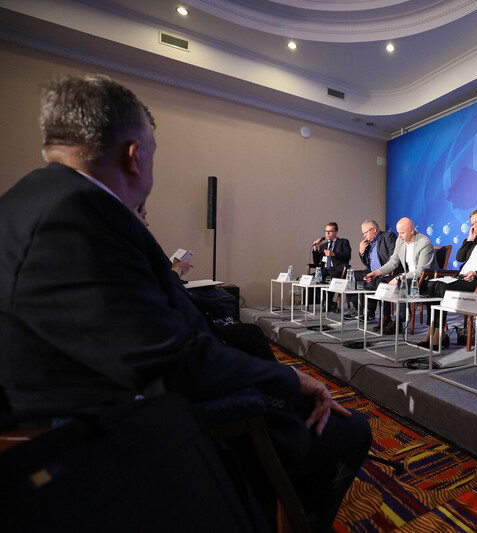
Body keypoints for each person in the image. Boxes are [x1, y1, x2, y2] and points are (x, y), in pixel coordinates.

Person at [0, 74, 371, 532]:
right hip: (107, 434)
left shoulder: (31, 200)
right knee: (353, 429)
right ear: (135, 156)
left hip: (114, 401)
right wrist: (290, 381)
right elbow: (177, 363)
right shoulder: (78, 216)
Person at [135, 203, 276, 363]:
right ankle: (284, 380)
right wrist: (178, 270)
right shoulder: (136, 250)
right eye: (143, 216)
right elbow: (162, 285)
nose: (147, 223)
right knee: (252, 333)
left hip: (178, 322)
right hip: (179, 330)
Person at [418, 208, 477, 349]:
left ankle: (439, 334)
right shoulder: (474, 239)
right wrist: (469, 240)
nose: (475, 226)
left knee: (442, 287)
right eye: (472, 223)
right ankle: (433, 331)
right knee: (431, 284)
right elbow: (459, 257)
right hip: (462, 279)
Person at [364, 217, 436, 333]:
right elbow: (393, 262)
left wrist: (399, 278)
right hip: (407, 276)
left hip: (423, 279)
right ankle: (386, 318)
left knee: (403, 284)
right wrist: (376, 273)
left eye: (402, 233)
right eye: (398, 233)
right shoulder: (400, 241)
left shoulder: (424, 243)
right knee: (381, 281)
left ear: (411, 231)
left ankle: (399, 322)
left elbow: (421, 272)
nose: (399, 236)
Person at [344, 220, 397, 329]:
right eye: (363, 234)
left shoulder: (388, 236)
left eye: (365, 233)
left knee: (375, 280)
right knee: (351, 275)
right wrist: (362, 252)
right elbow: (367, 263)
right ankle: (357, 309)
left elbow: (394, 257)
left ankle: (370, 312)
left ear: (374, 229)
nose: (364, 236)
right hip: (371, 270)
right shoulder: (368, 243)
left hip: (385, 271)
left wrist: (383, 271)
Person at [311, 222, 351, 312]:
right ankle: (329, 303)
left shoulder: (343, 242)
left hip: (337, 270)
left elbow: (347, 256)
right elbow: (316, 262)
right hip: (325, 270)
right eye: (326, 231)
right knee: (312, 279)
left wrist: (334, 254)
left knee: (332, 279)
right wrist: (315, 249)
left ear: (336, 232)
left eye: (330, 231)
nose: (327, 233)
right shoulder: (323, 246)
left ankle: (329, 304)